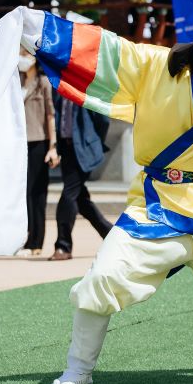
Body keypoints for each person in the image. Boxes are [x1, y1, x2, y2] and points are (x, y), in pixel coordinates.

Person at [19, 3, 193, 384]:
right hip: (155, 203)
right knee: (104, 276)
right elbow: (105, 50)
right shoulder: (155, 64)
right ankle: (78, 369)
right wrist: (32, 26)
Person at [49, 90, 114, 260]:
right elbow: (57, 118)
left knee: (68, 195)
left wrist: (95, 143)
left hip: (84, 150)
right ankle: (112, 236)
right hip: (67, 149)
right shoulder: (58, 89)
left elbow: (103, 119)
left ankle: (63, 245)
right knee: (80, 199)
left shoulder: (86, 90)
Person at [19, 48, 59, 256]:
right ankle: (28, 237)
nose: (22, 59)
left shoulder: (43, 83)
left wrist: (53, 146)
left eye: (25, 54)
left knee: (37, 192)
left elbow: (51, 116)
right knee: (24, 193)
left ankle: (37, 241)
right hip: (20, 143)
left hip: (39, 142)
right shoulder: (17, 83)